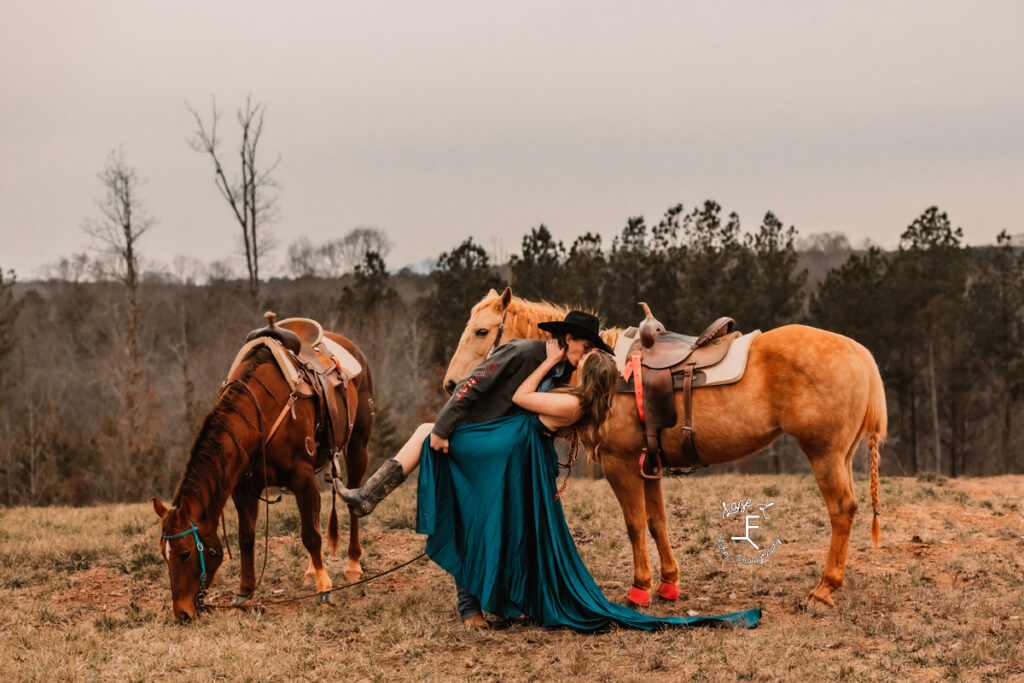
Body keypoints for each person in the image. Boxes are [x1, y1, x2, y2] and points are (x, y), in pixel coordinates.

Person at [338, 314, 761, 631]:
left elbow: (529, 402)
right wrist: (448, 426)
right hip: (483, 436)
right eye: (584, 346)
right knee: (431, 436)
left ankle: (377, 502)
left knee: (483, 514)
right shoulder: (521, 352)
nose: (584, 355)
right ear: (567, 340)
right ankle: (370, 496)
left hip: (509, 449)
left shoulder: (566, 380)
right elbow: (471, 385)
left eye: (587, 354)